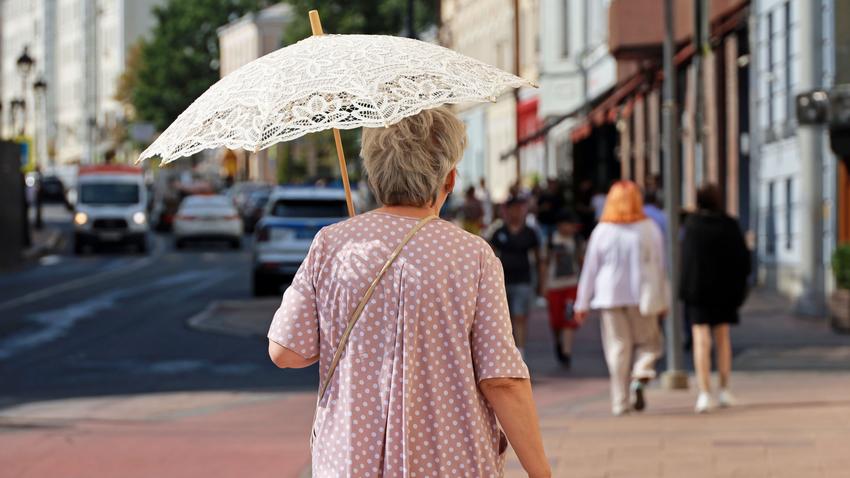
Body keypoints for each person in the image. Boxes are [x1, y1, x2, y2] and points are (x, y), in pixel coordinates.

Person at [267, 107, 550, 478]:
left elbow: (285, 350)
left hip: (349, 460)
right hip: (450, 462)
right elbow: (501, 380)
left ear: (374, 174)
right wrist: (541, 472)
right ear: (448, 179)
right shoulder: (472, 255)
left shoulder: (332, 245)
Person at [574, 180, 666, 416]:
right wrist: (663, 297)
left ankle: (619, 401)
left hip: (609, 297)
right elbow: (660, 265)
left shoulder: (602, 231)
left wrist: (582, 303)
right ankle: (641, 372)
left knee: (617, 348)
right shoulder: (649, 228)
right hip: (642, 296)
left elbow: (590, 269)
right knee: (648, 343)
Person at [680, 184, 750, 413]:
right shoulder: (729, 225)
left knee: (701, 339)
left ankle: (704, 392)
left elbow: (686, 262)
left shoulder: (692, 226)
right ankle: (725, 389)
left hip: (698, 291)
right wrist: (739, 289)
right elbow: (743, 260)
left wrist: (684, 290)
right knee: (722, 338)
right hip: (724, 291)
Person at [490, 196, 543, 355]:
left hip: (523, 279)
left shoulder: (530, 233)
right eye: (513, 209)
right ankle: (507, 350)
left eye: (519, 209)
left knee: (519, 315)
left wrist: (541, 281)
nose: (516, 213)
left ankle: (520, 351)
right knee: (504, 318)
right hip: (502, 280)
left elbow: (539, 257)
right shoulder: (499, 232)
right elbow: (490, 254)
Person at [542, 211, 585, 367]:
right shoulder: (551, 241)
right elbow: (544, 263)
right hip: (554, 287)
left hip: (571, 286)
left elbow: (582, 262)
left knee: (568, 318)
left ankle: (567, 352)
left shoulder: (577, 241)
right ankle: (559, 343)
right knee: (556, 322)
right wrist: (543, 285)